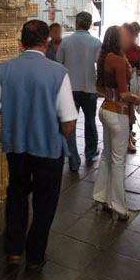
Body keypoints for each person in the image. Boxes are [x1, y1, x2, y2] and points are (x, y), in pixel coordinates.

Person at [0, 20, 77, 271]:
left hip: (16, 147)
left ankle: (13, 251)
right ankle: (35, 255)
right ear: (46, 42)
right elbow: (68, 119)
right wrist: (60, 138)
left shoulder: (4, 70)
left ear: (20, 43)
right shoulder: (58, 72)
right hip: (49, 148)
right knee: (45, 203)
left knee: (16, 194)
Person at [93, 26, 140, 220]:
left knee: (106, 155)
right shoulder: (119, 60)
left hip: (105, 108)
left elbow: (101, 86)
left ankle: (101, 196)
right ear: (117, 39)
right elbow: (124, 93)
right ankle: (120, 207)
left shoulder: (104, 57)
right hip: (118, 112)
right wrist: (137, 99)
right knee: (119, 160)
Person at [56, 11, 102, 171]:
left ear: (76, 23)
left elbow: (58, 64)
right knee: (90, 121)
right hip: (89, 88)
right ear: (89, 24)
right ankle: (90, 153)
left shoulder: (66, 42)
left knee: (70, 124)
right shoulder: (96, 42)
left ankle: (73, 160)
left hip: (69, 89)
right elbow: (100, 64)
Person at [122, 22, 140, 154]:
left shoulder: (138, 50)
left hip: (133, 84)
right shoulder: (119, 50)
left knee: (130, 111)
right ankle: (127, 138)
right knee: (125, 111)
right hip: (121, 85)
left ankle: (128, 136)